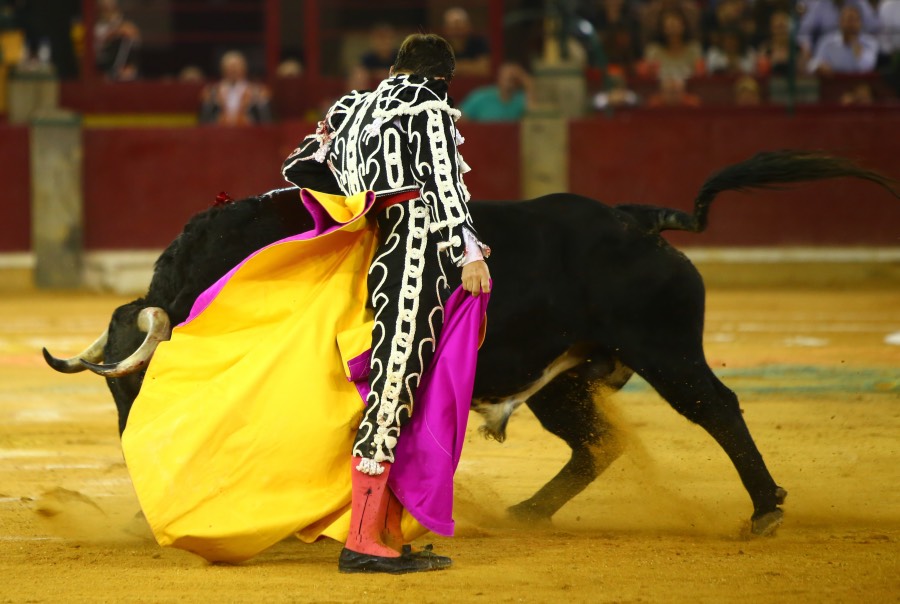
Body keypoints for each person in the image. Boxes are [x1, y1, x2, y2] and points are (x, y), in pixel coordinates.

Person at [282, 32, 490, 574]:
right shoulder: (432, 110)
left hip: (380, 248)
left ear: (397, 66)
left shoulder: (352, 106)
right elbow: (446, 184)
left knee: (400, 383)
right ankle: (363, 539)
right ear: (443, 78)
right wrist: (469, 250)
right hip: (420, 254)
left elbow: (301, 165)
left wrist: (358, 204)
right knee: (396, 383)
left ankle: (388, 531)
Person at [199, 50, 273, 125]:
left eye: (236, 66)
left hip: (249, 133)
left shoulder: (258, 91)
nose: (233, 70)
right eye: (230, 67)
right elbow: (204, 120)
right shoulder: (212, 92)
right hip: (219, 132)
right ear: (223, 69)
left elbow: (266, 121)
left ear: (244, 68)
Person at [808, 4, 879, 74]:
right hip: (834, 83)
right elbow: (812, 65)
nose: (852, 25)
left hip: (860, 83)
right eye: (849, 20)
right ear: (840, 22)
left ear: (861, 23)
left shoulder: (870, 43)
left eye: (856, 20)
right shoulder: (827, 42)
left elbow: (867, 68)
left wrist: (857, 49)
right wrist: (819, 66)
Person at [459, 62, 533, 121]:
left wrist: (526, 81)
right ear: (499, 77)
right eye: (506, 77)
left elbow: (534, 115)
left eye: (512, 78)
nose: (509, 81)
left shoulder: (520, 99)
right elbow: (459, 118)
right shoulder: (482, 96)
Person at [94, 0, 141, 81]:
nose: (108, 3)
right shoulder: (96, 25)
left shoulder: (121, 21)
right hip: (102, 63)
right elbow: (101, 38)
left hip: (120, 65)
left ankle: (127, 69)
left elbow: (134, 36)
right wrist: (115, 32)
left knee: (126, 39)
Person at [442, 6, 490, 75]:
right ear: (446, 29)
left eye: (459, 26)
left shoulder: (479, 42)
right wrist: (472, 65)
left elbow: (485, 68)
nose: (456, 31)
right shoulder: (440, 46)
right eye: (452, 27)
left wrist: (455, 67)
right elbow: (438, 70)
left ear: (469, 26)